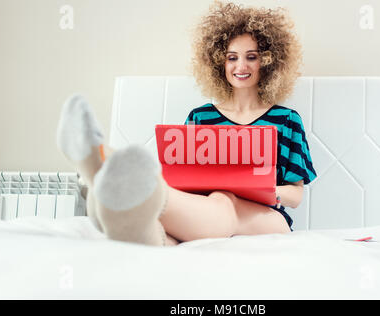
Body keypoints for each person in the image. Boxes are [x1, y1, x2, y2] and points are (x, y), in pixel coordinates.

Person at [56, 1, 316, 247]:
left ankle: (108, 161)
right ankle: (120, 211)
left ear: (269, 62)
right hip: (205, 213)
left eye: (252, 56)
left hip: (268, 219)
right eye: (232, 57)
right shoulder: (200, 118)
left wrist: (260, 188)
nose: (241, 66)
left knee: (226, 201)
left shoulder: (287, 120)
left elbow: (296, 195)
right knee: (166, 232)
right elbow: (183, 180)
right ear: (219, 62)